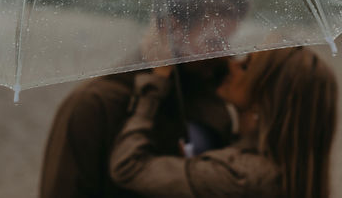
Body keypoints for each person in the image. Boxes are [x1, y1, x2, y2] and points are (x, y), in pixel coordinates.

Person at [39, 0, 250, 198]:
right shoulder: (94, 105)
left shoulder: (211, 90)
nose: (227, 54)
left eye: (227, 41)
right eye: (214, 42)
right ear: (171, 28)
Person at [110, 47, 337, 198]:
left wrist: (156, 82)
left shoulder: (238, 176)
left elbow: (129, 168)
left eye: (246, 66)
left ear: (267, 98)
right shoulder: (291, 168)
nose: (231, 65)